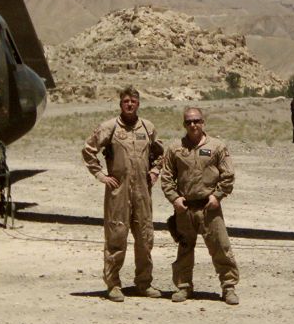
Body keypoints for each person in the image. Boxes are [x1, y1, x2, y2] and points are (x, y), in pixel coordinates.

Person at [82, 86, 164, 302]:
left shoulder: (147, 128)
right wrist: (101, 175)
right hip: (118, 191)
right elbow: (88, 150)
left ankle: (144, 283)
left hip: (142, 192)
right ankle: (113, 284)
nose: (130, 104)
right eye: (126, 101)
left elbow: (160, 154)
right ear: (121, 104)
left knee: (145, 237)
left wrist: (155, 171)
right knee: (116, 237)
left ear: (138, 104)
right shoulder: (109, 127)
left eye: (133, 101)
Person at [161, 107, 240, 305]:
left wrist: (218, 196)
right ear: (184, 124)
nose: (193, 125)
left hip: (209, 207)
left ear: (203, 122)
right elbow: (167, 177)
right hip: (185, 207)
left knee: (220, 247)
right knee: (185, 248)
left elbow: (228, 175)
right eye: (188, 122)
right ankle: (184, 286)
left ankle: (228, 286)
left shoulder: (217, 147)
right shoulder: (175, 149)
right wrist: (174, 198)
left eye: (196, 121)